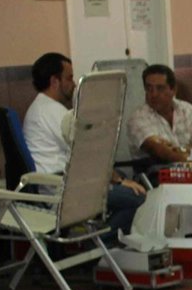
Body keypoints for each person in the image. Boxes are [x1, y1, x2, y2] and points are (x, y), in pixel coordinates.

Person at [22, 52, 146, 236]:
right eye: (69, 78)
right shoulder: (51, 111)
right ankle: (98, 243)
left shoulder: (43, 108)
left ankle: (97, 240)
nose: (73, 84)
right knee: (137, 198)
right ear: (54, 81)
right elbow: (86, 151)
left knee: (120, 178)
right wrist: (119, 181)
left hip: (62, 184)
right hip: (63, 192)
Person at [128, 63, 192, 165]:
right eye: (149, 88)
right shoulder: (138, 118)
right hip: (155, 172)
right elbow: (164, 153)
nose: (154, 94)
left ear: (173, 90)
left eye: (160, 88)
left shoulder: (186, 109)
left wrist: (181, 150)